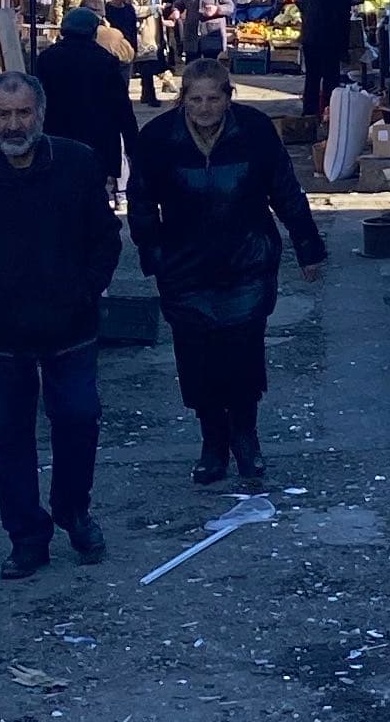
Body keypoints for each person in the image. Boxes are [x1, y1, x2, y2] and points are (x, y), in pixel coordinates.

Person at [0, 68, 120, 575]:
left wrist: (86, 289)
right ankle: (27, 537)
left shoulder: (76, 163)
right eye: (3, 114)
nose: (13, 125)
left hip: (70, 328)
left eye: (23, 113)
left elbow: (105, 238)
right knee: (10, 437)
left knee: (78, 421)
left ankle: (74, 512)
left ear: (41, 115)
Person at [129, 56, 325, 488]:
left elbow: (285, 190)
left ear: (227, 97)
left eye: (212, 98)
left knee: (242, 355)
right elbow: (141, 199)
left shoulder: (253, 130)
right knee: (197, 359)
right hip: (184, 265)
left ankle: (245, 437)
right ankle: (211, 440)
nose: (203, 108)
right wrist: (152, 253)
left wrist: (307, 246)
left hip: (246, 260)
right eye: (195, 99)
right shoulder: (159, 137)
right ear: (183, 100)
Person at [34, 0, 140, 194]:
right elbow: (122, 107)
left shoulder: (47, 58)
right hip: (97, 139)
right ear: (93, 31)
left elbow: (37, 100)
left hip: (57, 137)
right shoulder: (104, 60)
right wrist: (133, 145)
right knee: (94, 193)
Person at [296, 0, 361, 127]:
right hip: (333, 38)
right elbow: (347, 16)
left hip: (311, 35)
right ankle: (330, 115)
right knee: (331, 79)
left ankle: (308, 117)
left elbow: (299, 0)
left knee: (312, 78)